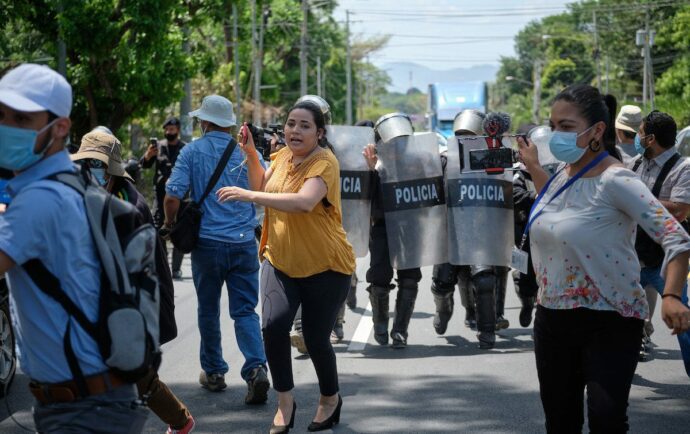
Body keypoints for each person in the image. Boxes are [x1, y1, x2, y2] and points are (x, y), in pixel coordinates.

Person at [518, 83, 690, 433]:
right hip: (552, 319)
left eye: (566, 127)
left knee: (607, 422)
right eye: (553, 126)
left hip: (610, 320)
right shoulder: (557, 179)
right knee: (560, 422)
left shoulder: (618, 180)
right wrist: (533, 166)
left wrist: (671, 296)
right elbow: (560, 208)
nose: (556, 135)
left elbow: (676, 236)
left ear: (597, 130)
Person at [0, 63, 147, 432]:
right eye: (1, 115)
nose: (6, 127)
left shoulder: (39, 201)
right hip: (94, 402)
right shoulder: (70, 181)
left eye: (21, 118)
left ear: (60, 128)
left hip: (84, 411)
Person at [217, 101, 355, 433]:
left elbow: (305, 202)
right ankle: (285, 403)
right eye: (291, 123)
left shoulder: (325, 163)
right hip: (279, 259)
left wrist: (249, 196)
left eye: (305, 125)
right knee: (273, 327)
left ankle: (329, 399)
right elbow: (264, 185)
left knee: (316, 338)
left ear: (320, 133)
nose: (295, 130)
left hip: (327, 265)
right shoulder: (280, 159)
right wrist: (251, 153)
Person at [72, 130, 195, 434]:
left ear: (111, 169)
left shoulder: (130, 207)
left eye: (96, 165)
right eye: (85, 164)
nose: (89, 171)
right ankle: (180, 421)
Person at [164, 94, 270, 405]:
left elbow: (172, 196)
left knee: (208, 309)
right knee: (244, 310)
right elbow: (262, 186)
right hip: (242, 244)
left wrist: (171, 224)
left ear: (205, 122)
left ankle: (213, 371)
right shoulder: (246, 152)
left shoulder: (192, 151)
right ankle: (255, 368)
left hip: (207, 245)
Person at [628, 110, 690, 366]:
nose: (637, 137)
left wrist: (634, 200)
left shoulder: (683, 168)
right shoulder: (634, 163)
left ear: (650, 138)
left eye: (640, 132)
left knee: (683, 325)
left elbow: (679, 209)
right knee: (616, 323)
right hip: (629, 259)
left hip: (662, 262)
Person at [362, 114, 423, 349]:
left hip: (411, 226)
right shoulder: (373, 161)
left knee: (409, 278)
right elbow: (365, 198)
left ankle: (400, 331)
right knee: (379, 276)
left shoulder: (419, 162)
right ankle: (380, 324)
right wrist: (371, 170)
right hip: (382, 227)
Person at [141, 117, 187, 279]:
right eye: (167, 130)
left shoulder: (185, 149)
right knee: (156, 229)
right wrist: (147, 156)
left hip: (180, 198)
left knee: (180, 231)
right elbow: (144, 165)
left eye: (172, 130)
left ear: (178, 130)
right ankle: (162, 265)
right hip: (160, 198)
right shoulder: (158, 147)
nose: (169, 132)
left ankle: (176, 269)